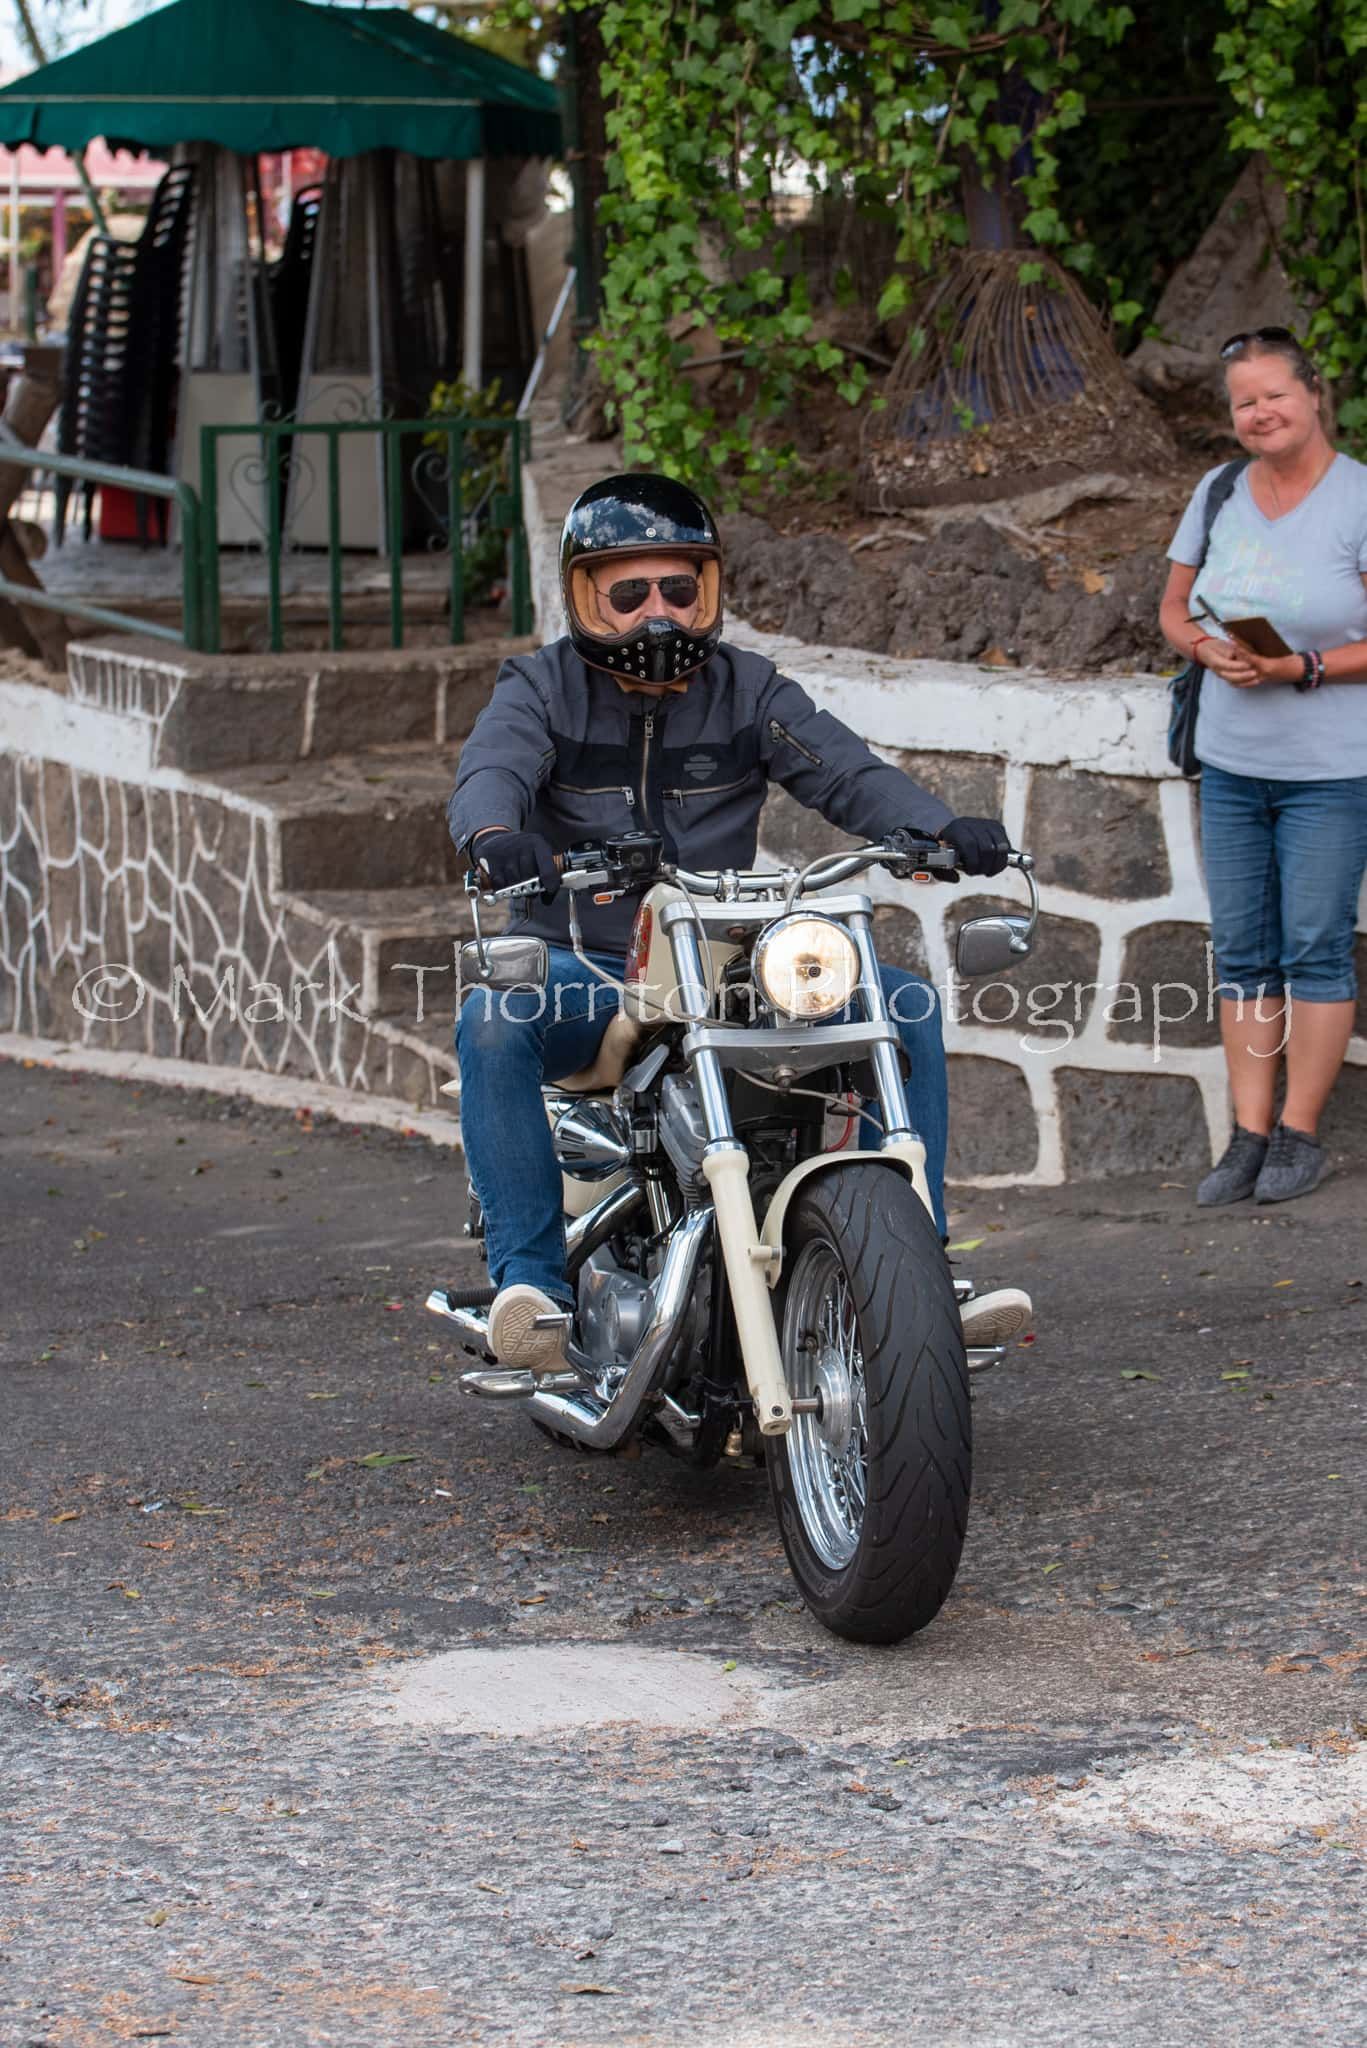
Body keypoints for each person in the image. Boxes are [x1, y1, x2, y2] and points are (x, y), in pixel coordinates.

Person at [448, 472, 1033, 1369]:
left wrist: (936, 829)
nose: (660, 613)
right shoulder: (541, 688)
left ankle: (920, 1265)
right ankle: (532, 1290)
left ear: (707, 592)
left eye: (679, 589)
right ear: (585, 597)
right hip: (587, 962)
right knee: (496, 1015)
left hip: (719, 960)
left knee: (903, 1004)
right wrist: (495, 834)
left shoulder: (748, 690)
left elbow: (846, 774)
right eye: (631, 591)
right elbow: (493, 767)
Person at [1158, 328, 1367, 1206]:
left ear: (1314, 394)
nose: (1259, 413)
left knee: (1314, 949)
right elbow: (1172, 606)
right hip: (1231, 764)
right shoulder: (1217, 492)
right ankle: (1245, 1136)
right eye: (1243, 402)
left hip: (1329, 768)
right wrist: (1206, 648)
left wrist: (1303, 668)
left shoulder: (1358, 498)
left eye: (1273, 394)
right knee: (1240, 951)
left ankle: (1299, 1134)